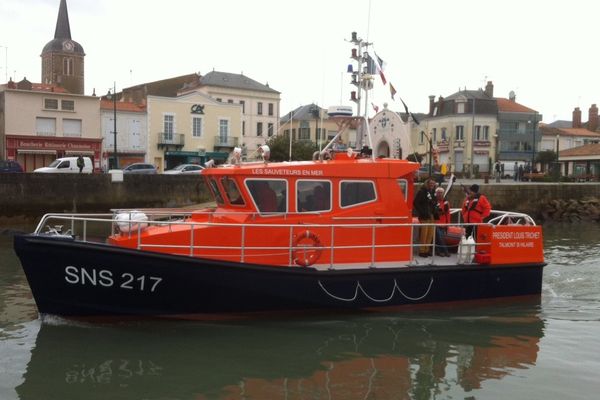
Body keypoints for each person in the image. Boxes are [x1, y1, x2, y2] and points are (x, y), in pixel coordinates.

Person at [413, 178, 437, 257]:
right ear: (427, 183)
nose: (432, 185)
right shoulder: (421, 192)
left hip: (431, 215)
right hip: (424, 215)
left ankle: (427, 249)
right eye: (430, 183)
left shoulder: (432, 192)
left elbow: (433, 203)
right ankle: (422, 250)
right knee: (424, 234)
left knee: (430, 233)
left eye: (433, 184)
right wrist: (422, 211)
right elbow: (416, 202)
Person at [434, 187, 451, 256]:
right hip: (435, 222)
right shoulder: (433, 201)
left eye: (441, 193)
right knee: (439, 237)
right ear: (436, 193)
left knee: (439, 238)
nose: (439, 194)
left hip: (443, 223)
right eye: (438, 192)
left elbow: (448, 214)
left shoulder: (446, 202)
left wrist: (447, 224)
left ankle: (439, 251)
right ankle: (445, 251)